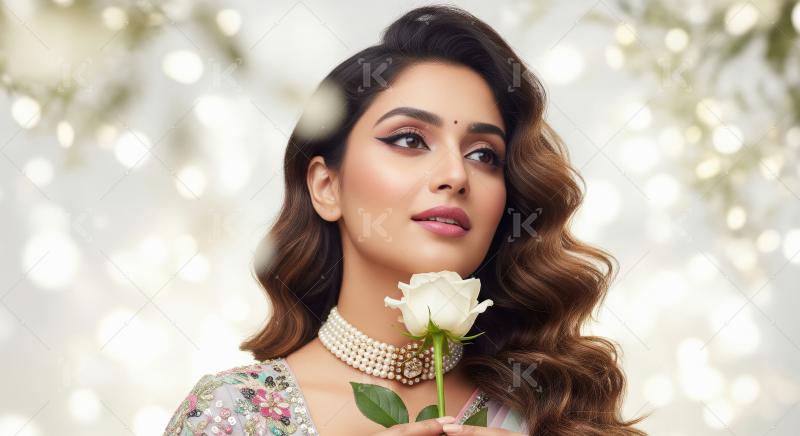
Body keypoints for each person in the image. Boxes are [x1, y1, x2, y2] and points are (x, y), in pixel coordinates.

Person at [164, 4, 649, 435]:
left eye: (484, 154)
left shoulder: (557, 410)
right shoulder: (231, 416)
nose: (456, 175)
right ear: (326, 186)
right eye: (409, 140)